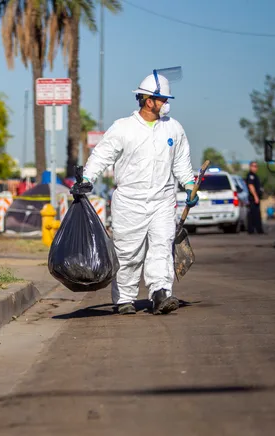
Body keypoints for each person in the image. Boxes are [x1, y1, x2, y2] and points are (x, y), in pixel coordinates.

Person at [71, 72, 199, 315]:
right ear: (148, 101)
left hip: (163, 200)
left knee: (161, 247)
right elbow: (102, 156)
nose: (165, 103)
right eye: (161, 99)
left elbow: (181, 164)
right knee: (128, 253)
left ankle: (161, 293)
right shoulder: (123, 128)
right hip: (129, 202)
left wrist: (190, 186)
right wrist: (87, 179)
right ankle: (124, 298)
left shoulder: (173, 129)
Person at [245, 161, 264, 234]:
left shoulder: (255, 176)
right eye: (254, 166)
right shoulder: (251, 175)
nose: (255, 168)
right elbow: (251, 186)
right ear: (250, 167)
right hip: (253, 198)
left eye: (256, 166)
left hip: (255, 198)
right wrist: (255, 196)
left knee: (256, 214)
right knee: (253, 214)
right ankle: (252, 230)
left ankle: (257, 229)